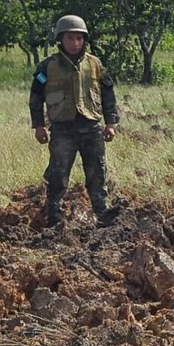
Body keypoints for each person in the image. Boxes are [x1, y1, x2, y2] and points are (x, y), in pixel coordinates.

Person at [29, 15, 121, 225]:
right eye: (70, 38)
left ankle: (102, 213)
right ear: (60, 39)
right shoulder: (47, 67)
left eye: (79, 38)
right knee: (57, 174)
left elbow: (108, 93)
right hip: (62, 129)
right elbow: (36, 96)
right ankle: (54, 216)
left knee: (97, 172)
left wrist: (110, 123)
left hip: (91, 127)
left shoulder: (95, 64)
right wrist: (38, 126)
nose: (75, 43)